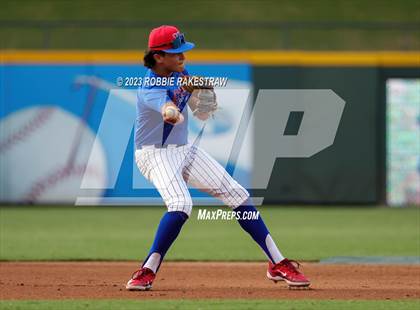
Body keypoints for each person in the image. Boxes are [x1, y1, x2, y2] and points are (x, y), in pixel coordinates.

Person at [126, 25, 310, 291]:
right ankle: (146, 271)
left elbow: (196, 110)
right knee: (180, 204)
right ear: (158, 56)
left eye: (183, 51)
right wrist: (172, 111)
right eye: (176, 52)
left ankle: (278, 263)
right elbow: (167, 110)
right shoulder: (149, 88)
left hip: (183, 149)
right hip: (154, 155)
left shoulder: (180, 74)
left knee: (238, 194)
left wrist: (201, 101)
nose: (182, 57)